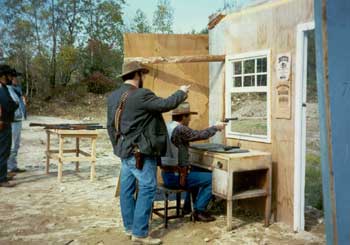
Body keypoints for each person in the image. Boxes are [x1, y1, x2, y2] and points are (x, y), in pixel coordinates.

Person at [107, 61, 189, 245]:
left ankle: (130, 228)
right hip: (141, 154)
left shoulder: (113, 97)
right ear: (137, 75)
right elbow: (166, 104)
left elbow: (110, 127)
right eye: (142, 74)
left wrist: (117, 148)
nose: (143, 77)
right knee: (147, 188)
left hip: (125, 153)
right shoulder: (142, 94)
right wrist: (182, 92)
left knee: (127, 191)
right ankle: (140, 233)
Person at [161, 102, 225, 222]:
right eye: (189, 116)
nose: (190, 119)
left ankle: (187, 208)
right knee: (213, 178)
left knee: (197, 171)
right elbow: (199, 135)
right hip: (175, 177)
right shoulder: (180, 129)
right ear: (184, 116)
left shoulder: (167, 126)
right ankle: (199, 210)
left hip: (167, 174)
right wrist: (216, 127)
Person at [0, 64, 19, 188]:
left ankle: (2, 175)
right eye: (8, 75)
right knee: (3, 151)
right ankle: (1, 178)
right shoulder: (1, 88)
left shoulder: (3, 87)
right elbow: (9, 104)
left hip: (4, 123)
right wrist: (16, 103)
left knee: (4, 151)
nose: (10, 78)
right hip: (2, 124)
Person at [7, 68, 26, 173]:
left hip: (17, 120)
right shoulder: (6, 89)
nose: (16, 79)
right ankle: (7, 168)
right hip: (11, 121)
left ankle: (12, 166)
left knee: (16, 145)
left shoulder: (15, 89)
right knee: (11, 145)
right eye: (14, 77)